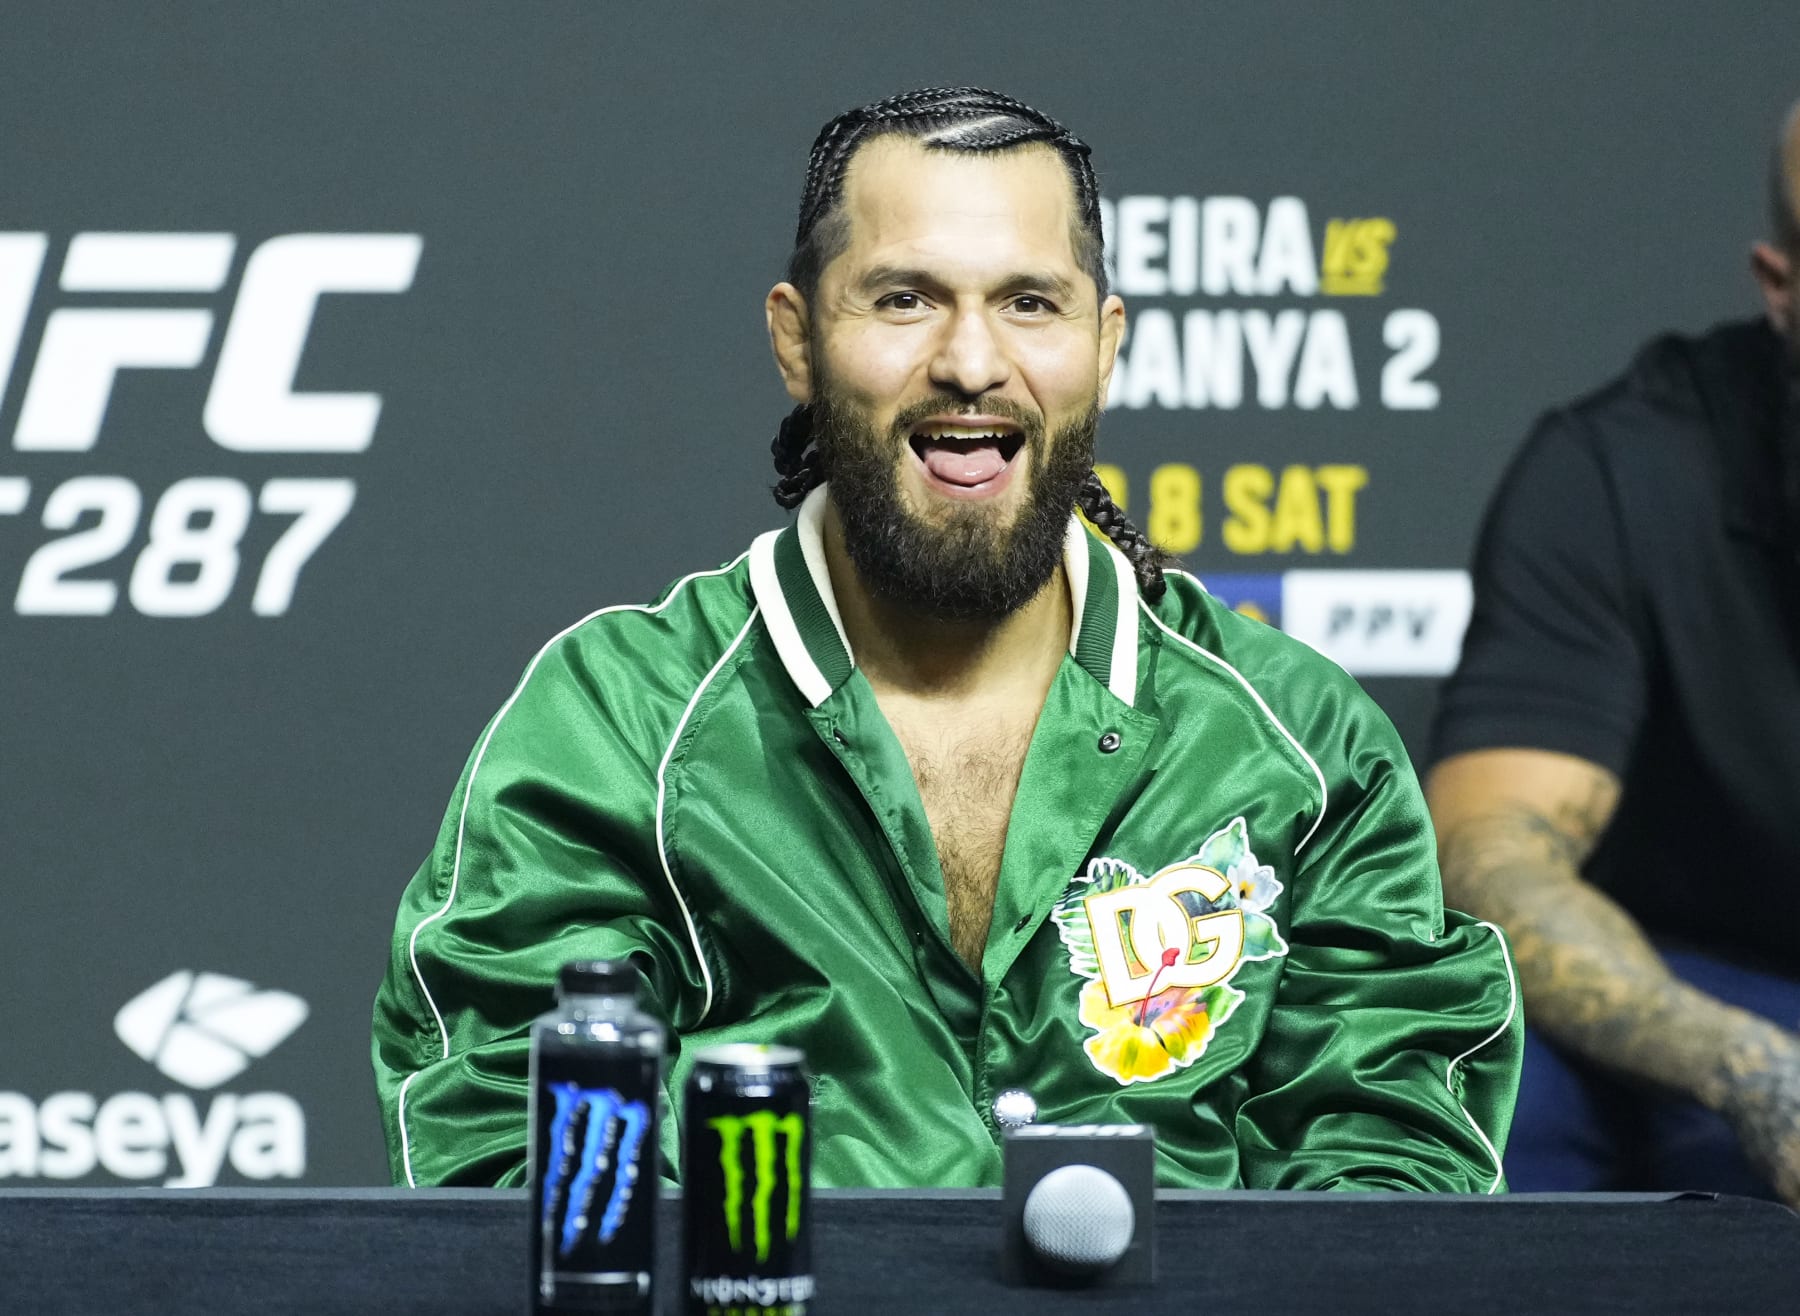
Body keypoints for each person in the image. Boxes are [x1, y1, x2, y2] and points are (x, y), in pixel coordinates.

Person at [373, 86, 1519, 1191]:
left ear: (1105, 342)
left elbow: (1390, 1186)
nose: (972, 361)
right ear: (797, 340)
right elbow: (517, 1170)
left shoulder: (1299, 739)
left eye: (1031, 302)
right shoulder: (618, 725)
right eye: (904, 298)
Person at [1426, 103, 1800, 1205]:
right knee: (1493, 1090)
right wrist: (1751, 1073)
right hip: (1703, 987)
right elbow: (1493, 854)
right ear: (1781, 288)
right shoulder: (1623, 470)